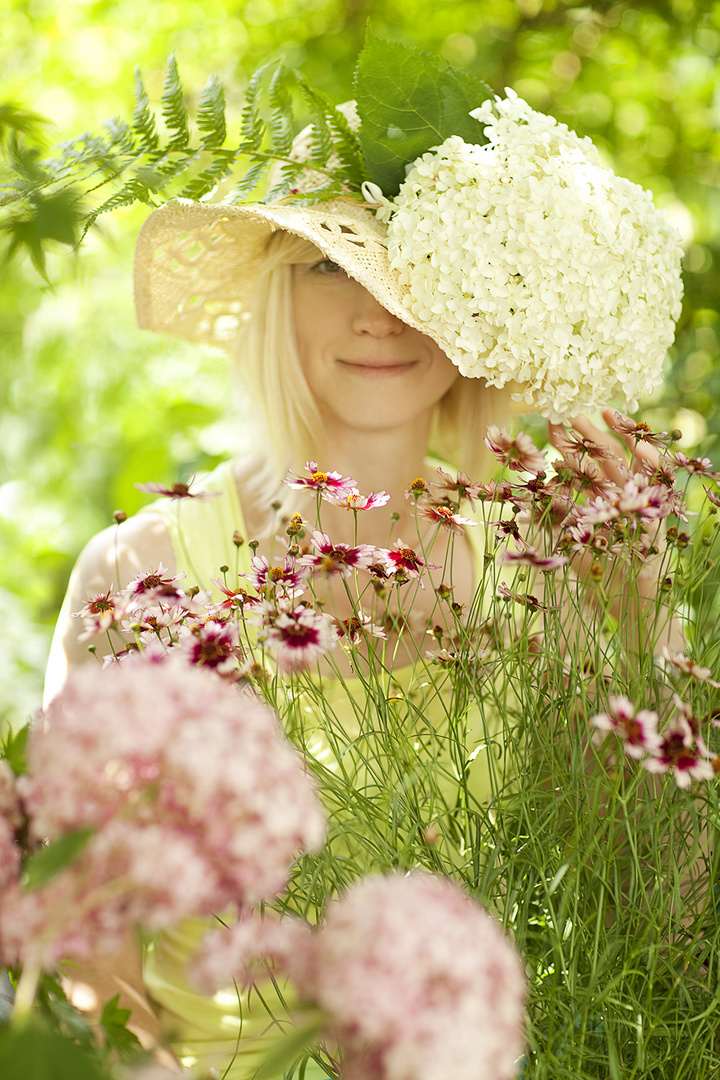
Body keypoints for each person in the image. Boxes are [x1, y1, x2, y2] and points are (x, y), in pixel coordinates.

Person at [43, 47, 684, 1080]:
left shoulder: (540, 572)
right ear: (273, 298)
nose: (377, 315)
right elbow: (77, 918)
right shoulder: (142, 570)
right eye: (332, 267)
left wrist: (639, 619)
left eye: (413, 275)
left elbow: (665, 903)